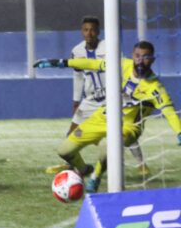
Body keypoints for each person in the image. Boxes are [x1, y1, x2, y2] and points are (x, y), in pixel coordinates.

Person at [34, 40, 181, 193]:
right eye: (137, 56)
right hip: (103, 118)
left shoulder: (156, 88)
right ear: (132, 55)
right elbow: (93, 64)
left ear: (152, 59)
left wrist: (179, 131)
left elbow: (169, 111)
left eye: (146, 57)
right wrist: (61, 62)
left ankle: (95, 177)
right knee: (64, 151)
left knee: (108, 146)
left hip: (129, 127)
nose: (140, 60)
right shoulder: (122, 65)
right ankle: (84, 169)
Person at [44, 16, 148, 174]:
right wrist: (76, 101)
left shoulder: (109, 47)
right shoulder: (77, 51)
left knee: (123, 130)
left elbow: (123, 70)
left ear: (98, 31)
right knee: (71, 133)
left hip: (112, 97)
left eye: (92, 30)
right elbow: (78, 77)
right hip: (91, 100)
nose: (89, 33)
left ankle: (142, 165)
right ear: (81, 31)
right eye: (86, 30)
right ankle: (74, 165)